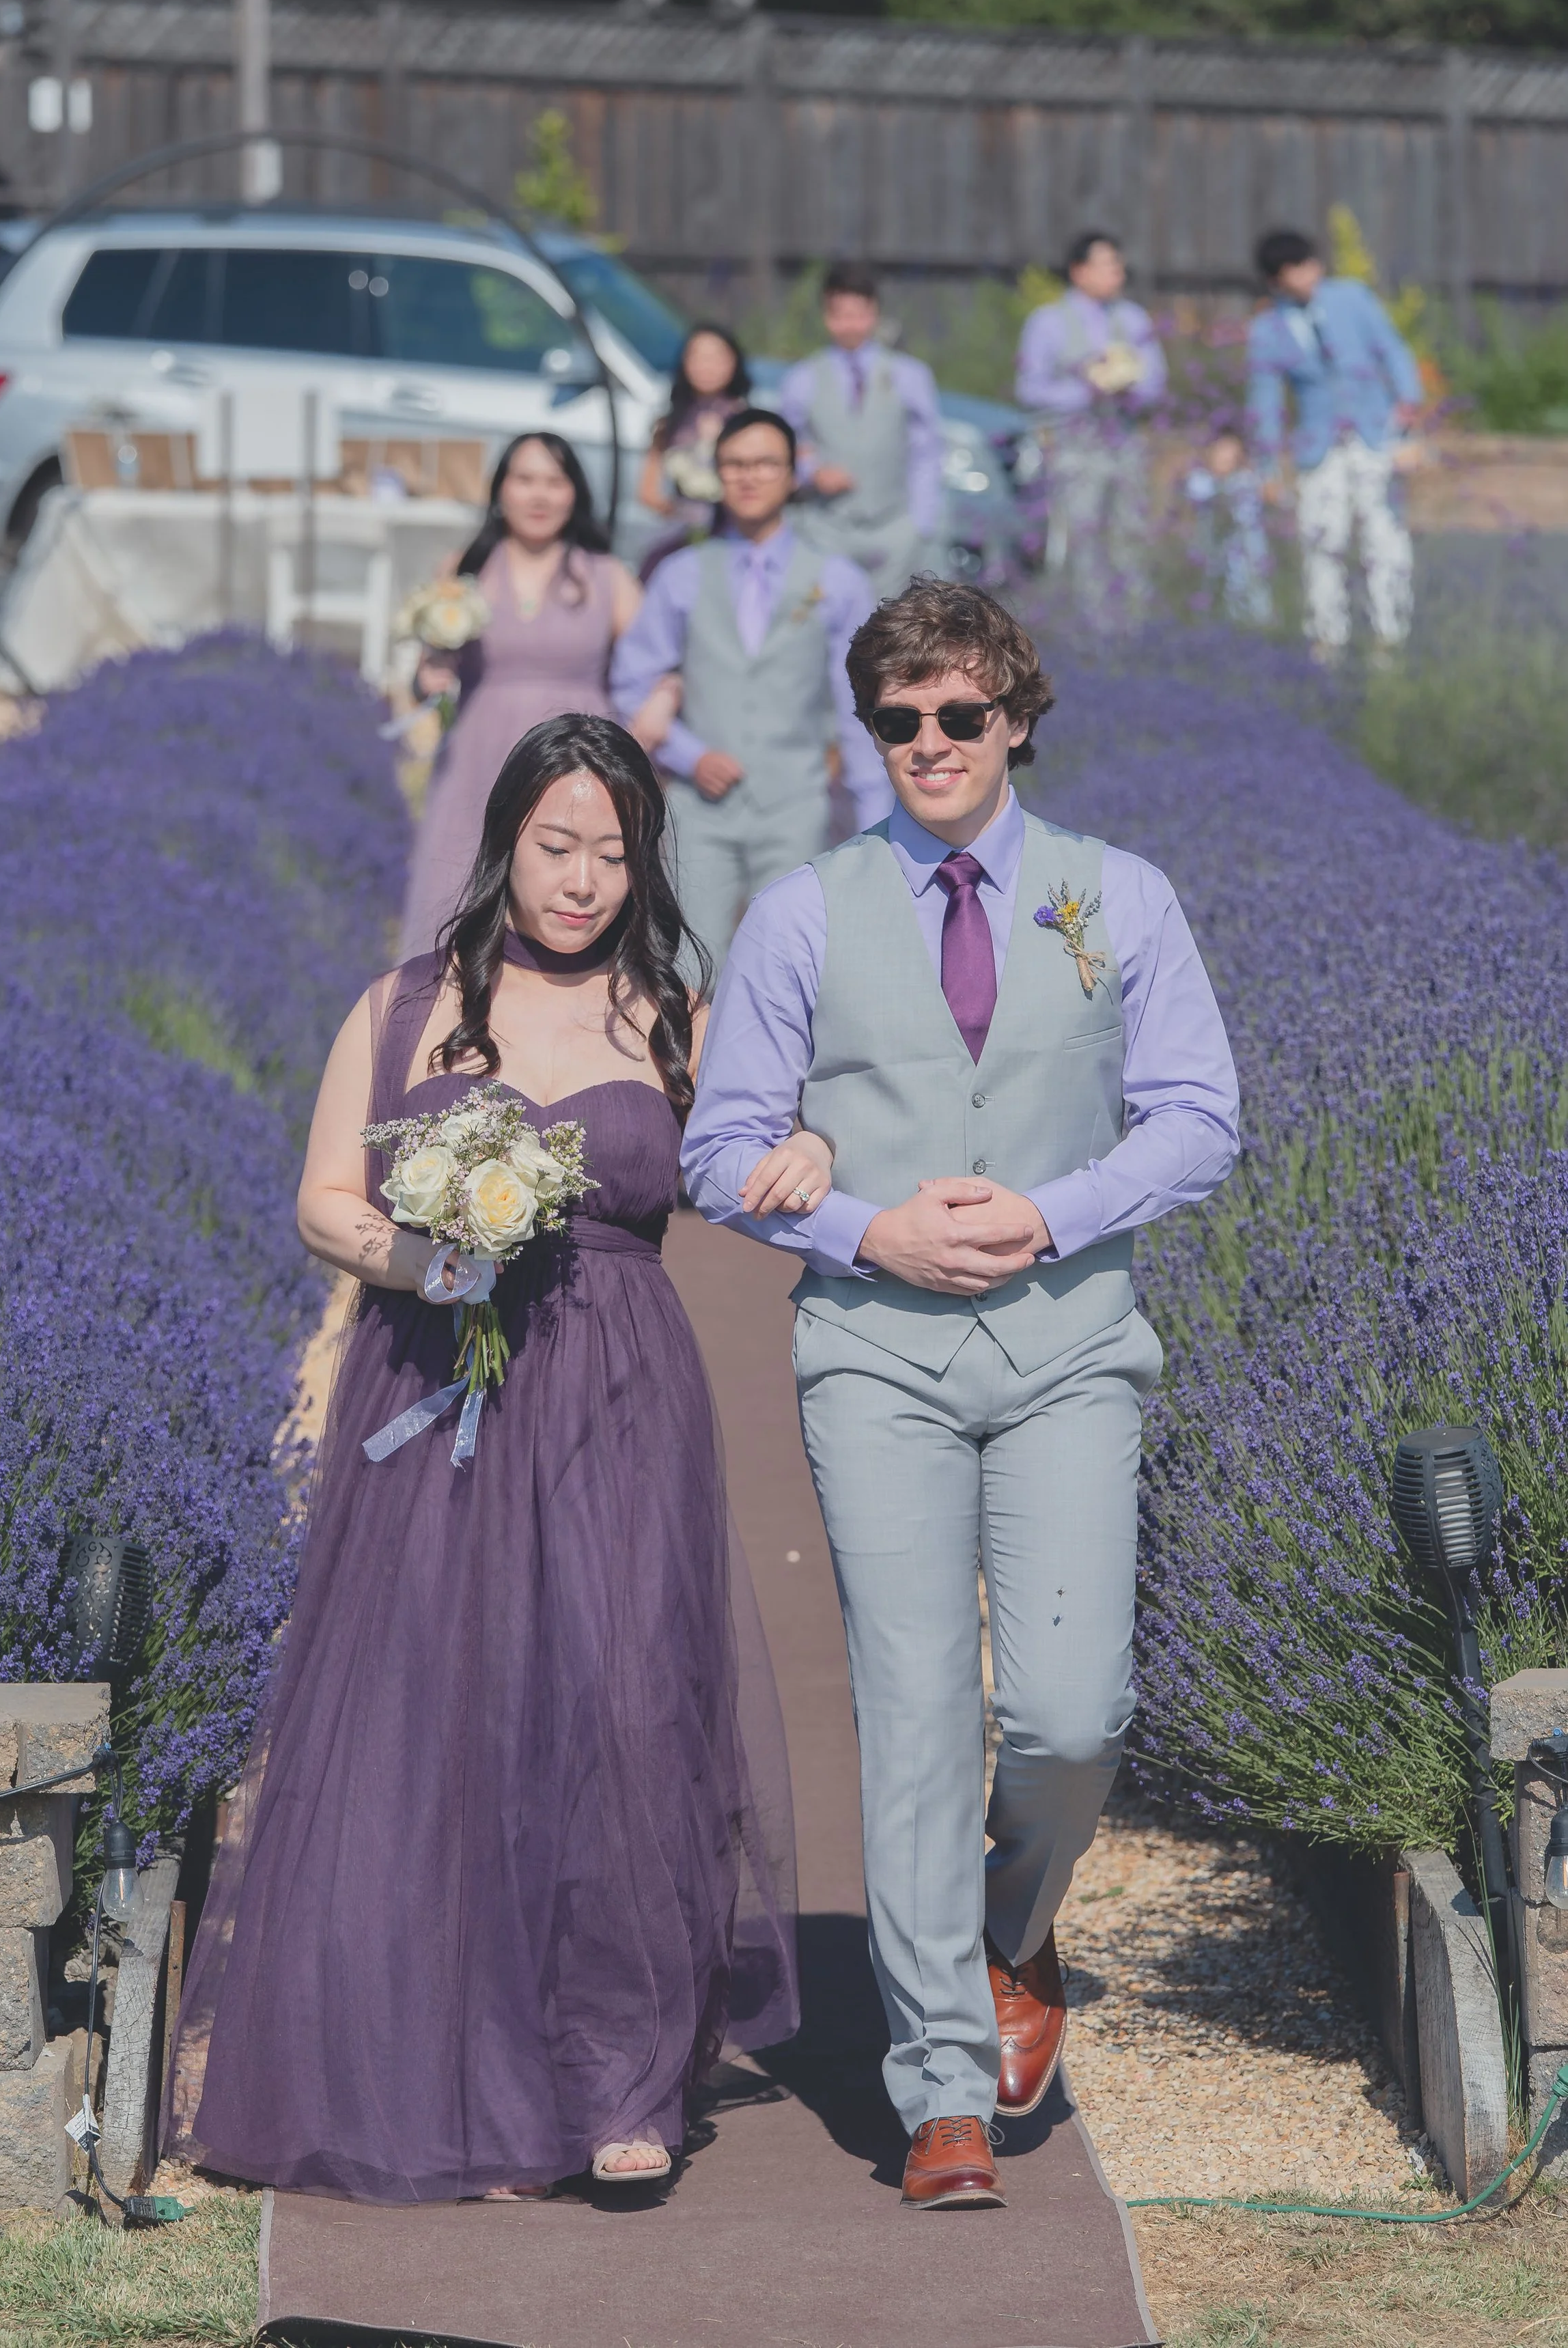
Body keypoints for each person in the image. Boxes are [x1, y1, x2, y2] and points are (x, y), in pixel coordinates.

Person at [166, 715, 819, 2201]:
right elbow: (323, 1200)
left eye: (611, 851)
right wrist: (428, 1258)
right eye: (555, 845)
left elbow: (758, 1160)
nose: (583, 880)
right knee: (449, 1712)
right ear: (506, 840)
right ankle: (451, 2060)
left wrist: (819, 1155)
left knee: (624, 1704)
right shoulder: (403, 1011)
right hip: (441, 1386)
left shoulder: (673, 1017)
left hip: (618, 1393)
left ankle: (616, 2071)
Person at [684, 579, 1239, 2209]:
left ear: (1016, 717)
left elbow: (1198, 1114)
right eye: (900, 718)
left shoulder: (1117, 894)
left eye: (961, 714)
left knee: (1074, 1713)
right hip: (874, 1354)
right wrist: (866, 1226)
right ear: (873, 733)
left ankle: (1008, 1930)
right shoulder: (800, 909)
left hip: (1071, 1342)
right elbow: (723, 1145)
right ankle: (939, 2082)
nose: (930, 742)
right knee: (913, 1711)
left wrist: (1053, 1210)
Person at [608, 406, 891, 970]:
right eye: (734, 464)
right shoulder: (681, 575)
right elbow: (631, 680)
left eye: (765, 463)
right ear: (717, 474)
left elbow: (862, 713)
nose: (749, 476)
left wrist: (881, 827)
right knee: (688, 968)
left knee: (790, 966)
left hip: (795, 803)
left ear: (792, 474)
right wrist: (689, 754)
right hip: (700, 809)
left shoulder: (837, 582)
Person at [398, 432, 667, 958]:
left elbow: (658, 665)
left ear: (575, 493)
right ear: (501, 491)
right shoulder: (465, 568)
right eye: (525, 480)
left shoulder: (607, 576)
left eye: (554, 481)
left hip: (579, 760)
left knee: (576, 892)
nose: (539, 496)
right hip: (480, 760)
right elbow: (425, 674)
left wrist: (661, 703)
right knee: (458, 897)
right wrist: (428, 674)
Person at [1246, 226, 1421, 660]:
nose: (1305, 277)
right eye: (1293, 271)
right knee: (1323, 539)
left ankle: (1389, 636)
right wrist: (1267, 466)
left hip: (1374, 432)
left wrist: (1409, 404)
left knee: (1385, 535)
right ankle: (1327, 638)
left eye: (1308, 265)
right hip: (1318, 444)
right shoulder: (1268, 329)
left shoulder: (1352, 298)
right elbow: (1265, 402)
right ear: (1276, 281)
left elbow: (1392, 349)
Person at [1014, 230, 1167, 629]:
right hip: (1074, 446)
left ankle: (1136, 626)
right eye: (1106, 264)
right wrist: (1084, 388)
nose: (1116, 271)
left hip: (1125, 440)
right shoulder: (1047, 323)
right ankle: (1092, 630)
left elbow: (1157, 382)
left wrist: (1130, 385)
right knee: (1083, 538)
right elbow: (1029, 388)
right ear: (1079, 271)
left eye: (1118, 264)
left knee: (1131, 535)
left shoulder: (1132, 318)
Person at [778, 261, 943, 602]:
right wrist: (812, 472)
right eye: (841, 314)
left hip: (894, 523)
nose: (851, 325)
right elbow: (787, 445)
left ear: (875, 313)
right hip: (828, 524)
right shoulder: (804, 378)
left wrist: (920, 523)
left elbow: (926, 450)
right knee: (828, 613)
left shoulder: (909, 375)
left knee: (893, 624)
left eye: (860, 314)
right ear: (827, 316)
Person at [636, 320, 751, 573]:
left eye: (716, 357)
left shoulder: (747, 423)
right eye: (698, 357)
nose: (706, 367)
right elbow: (647, 491)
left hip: (731, 536)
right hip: (680, 535)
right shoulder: (669, 424)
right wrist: (682, 512)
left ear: (734, 363)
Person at [1183, 430, 1273, 627]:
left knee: (1253, 588)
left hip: (1247, 554)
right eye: (1220, 452)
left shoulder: (1247, 479)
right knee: (1210, 591)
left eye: (1231, 453)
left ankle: (1261, 626)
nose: (1225, 458)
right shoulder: (1201, 480)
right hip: (1212, 551)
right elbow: (1197, 498)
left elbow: (1270, 496)